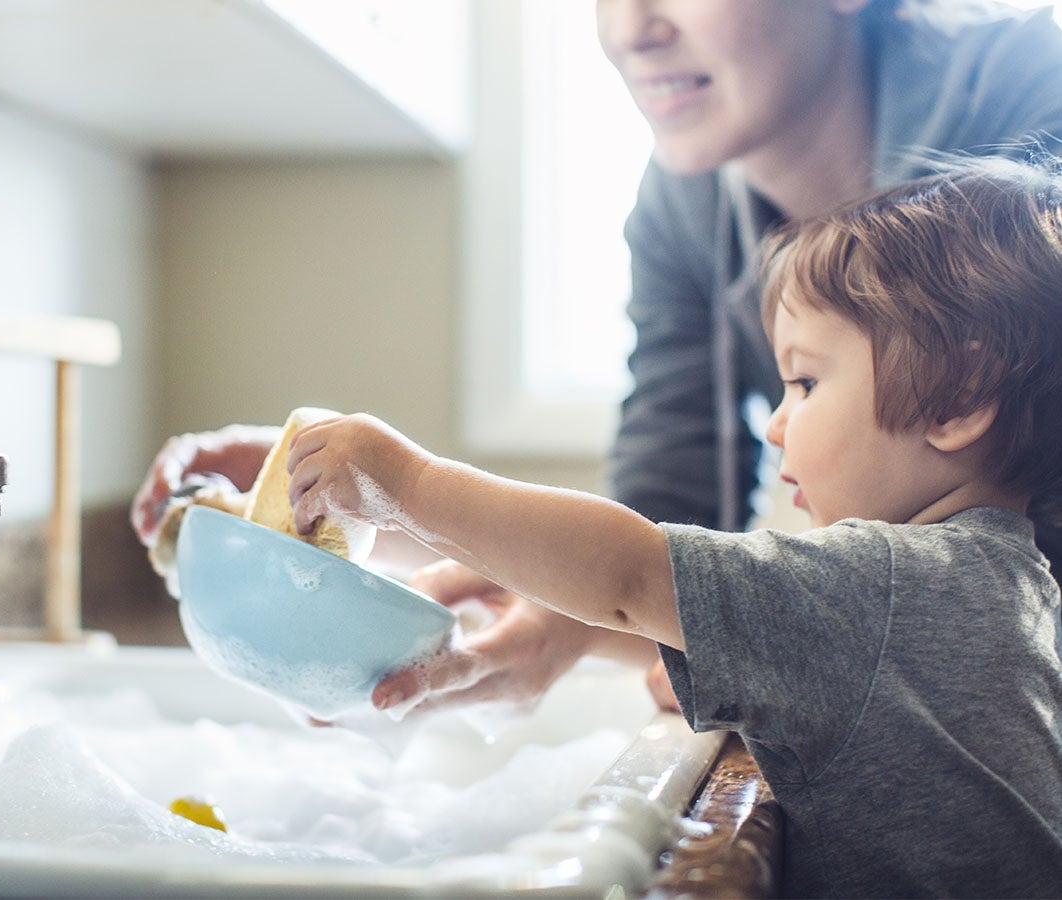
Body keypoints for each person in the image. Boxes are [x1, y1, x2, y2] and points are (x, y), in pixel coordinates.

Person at [132, 0, 1062, 713]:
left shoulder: (1036, 101)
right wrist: (337, 492)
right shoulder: (680, 202)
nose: (630, 29)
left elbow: (638, 574)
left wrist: (411, 483)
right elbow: (661, 539)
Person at [282, 158, 1062, 897]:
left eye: (806, 381)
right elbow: (685, 620)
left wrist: (410, 482)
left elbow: (627, 576)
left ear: (957, 399)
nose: (777, 425)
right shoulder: (992, 582)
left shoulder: (891, 584)